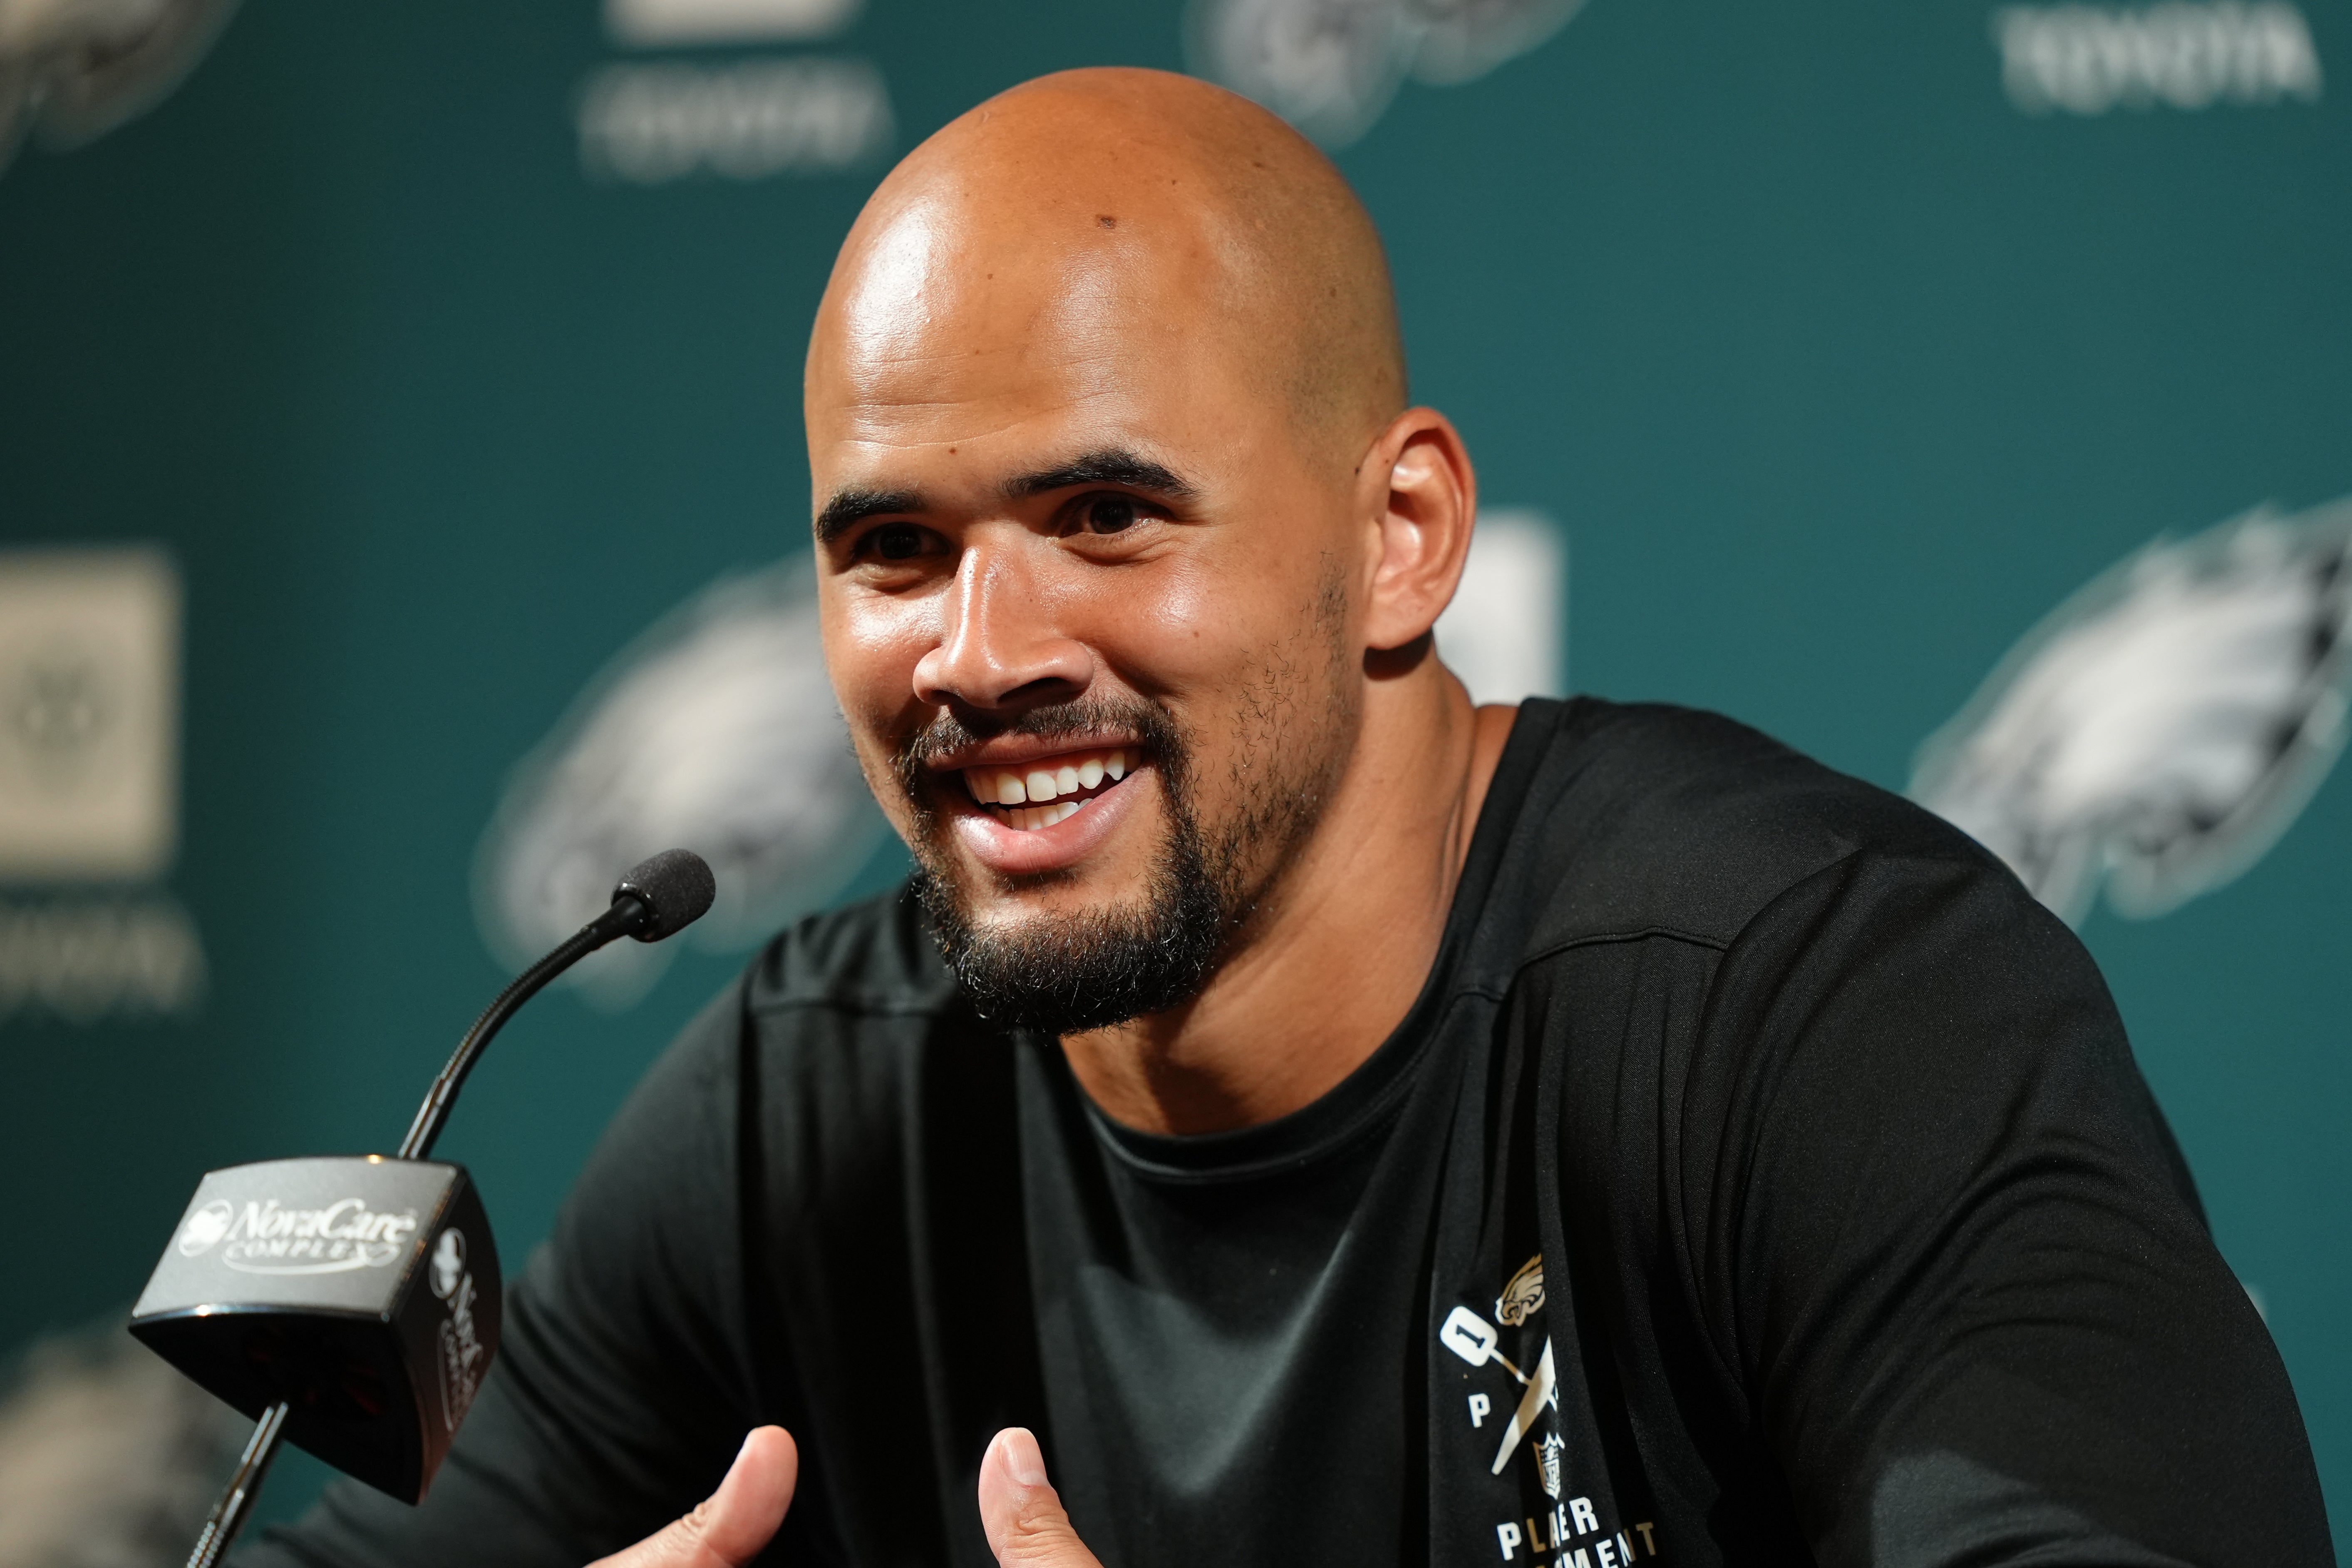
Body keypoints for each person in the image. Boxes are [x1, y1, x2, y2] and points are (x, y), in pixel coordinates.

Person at [241, 66, 2332, 1568]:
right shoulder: (812, 1102)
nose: (978, 649)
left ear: (1401, 539)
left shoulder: (1818, 1005)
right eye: (892, 548)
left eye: (1106, 516)